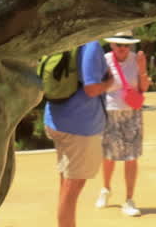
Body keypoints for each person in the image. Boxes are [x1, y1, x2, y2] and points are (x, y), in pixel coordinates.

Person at [47, 40, 116, 227]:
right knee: (72, 187)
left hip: (56, 119)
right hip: (80, 126)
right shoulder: (91, 44)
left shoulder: (68, 39)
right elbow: (91, 88)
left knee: (66, 183)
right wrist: (110, 81)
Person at [96, 32, 149, 217]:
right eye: (118, 44)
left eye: (126, 45)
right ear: (111, 45)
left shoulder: (136, 60)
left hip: (132, 113)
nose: (122, 48)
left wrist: (142, 69)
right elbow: (97, 85)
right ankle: (106, 188)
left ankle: (129, 199)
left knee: (131, 156)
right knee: (108, 155)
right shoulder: (104, 60)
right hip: (110, 112)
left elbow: (144, 87)